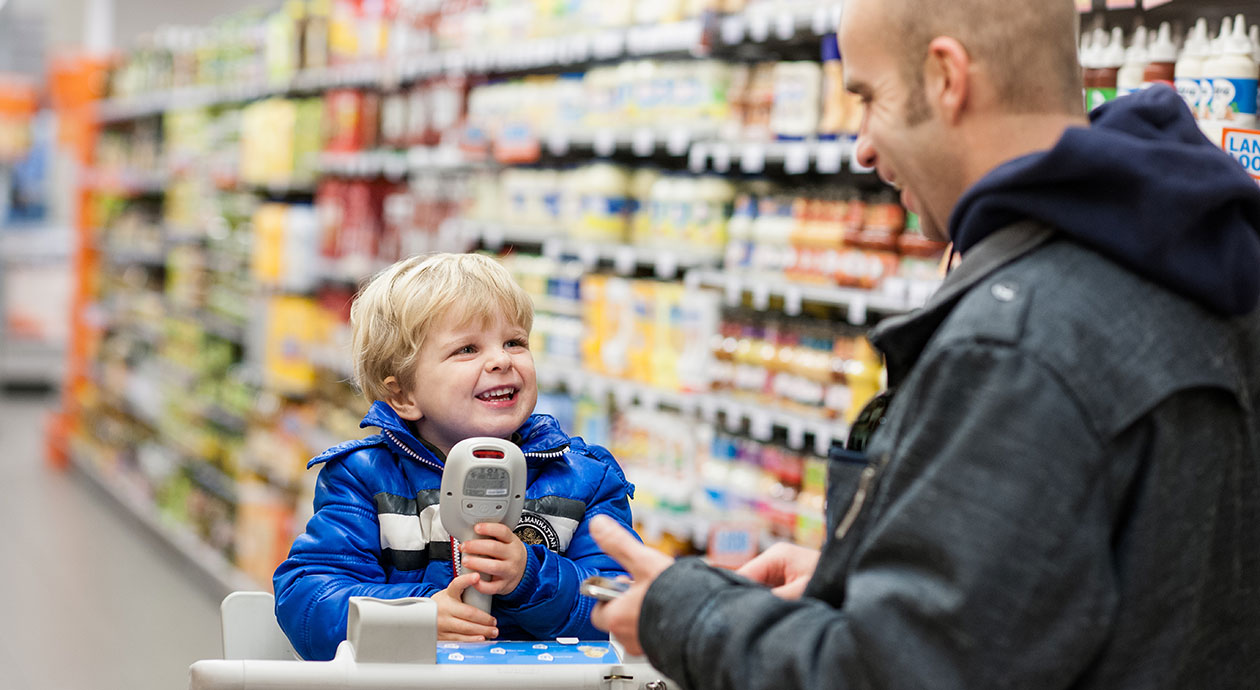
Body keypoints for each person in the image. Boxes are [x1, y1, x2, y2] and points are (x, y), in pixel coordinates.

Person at [588, 0, 1260, 687]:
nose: (862, 147)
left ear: (946, 76)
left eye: (870, 98)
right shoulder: (1191, 259)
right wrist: (852, 583)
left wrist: (692, 615)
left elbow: (893, 677)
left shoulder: (1017, 343)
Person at [274, 252, 638, 661]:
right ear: (402, 395)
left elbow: (622, 604)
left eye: (514, 342)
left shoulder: (585, 480)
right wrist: (417, 615)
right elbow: (308, 597)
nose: (501, 360)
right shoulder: (365, 479)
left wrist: (531, 577)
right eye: (467, 349)